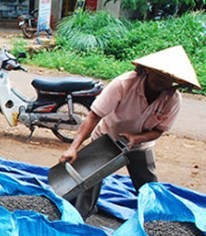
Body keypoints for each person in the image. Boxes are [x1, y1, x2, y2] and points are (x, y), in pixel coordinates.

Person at [58, 45, 201, 219]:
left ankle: (153, 220)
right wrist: (73, 147)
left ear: (175, 82)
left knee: (148, 187)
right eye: (159, 74)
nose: (161, 80)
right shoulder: (123, 84)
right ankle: (79, 218)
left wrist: (137, 138)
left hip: (140, 145)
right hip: (107, 138)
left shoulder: (172, 99)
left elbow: (158, 130)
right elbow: (93, 116)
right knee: (88, 184)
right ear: (148, 70)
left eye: (167, 78)